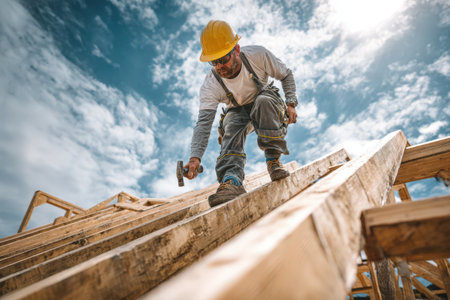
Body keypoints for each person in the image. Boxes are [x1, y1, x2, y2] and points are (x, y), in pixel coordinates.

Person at [183, 20, 298, 207]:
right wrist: (195, 158)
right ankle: (231, 180)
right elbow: (203, 124)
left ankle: (273, 159)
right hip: (238, 110)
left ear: (236, 50)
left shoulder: (257, 55)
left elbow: (286, 75)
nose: (219, 66)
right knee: (231, 122)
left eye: (223, 59)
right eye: (214, 62)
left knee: (264, 101)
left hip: (266, 102)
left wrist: (291, 103)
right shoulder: (211, 85)